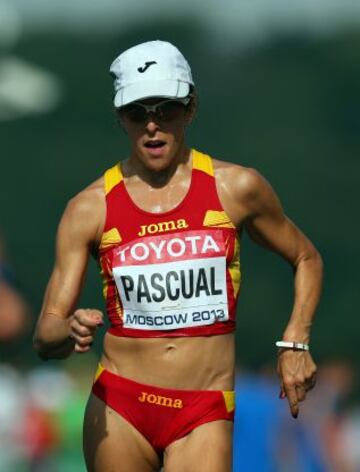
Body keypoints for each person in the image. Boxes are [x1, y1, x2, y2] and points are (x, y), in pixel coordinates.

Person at [33, 40, 323, 472]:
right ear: (121, 119)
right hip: (120, 406)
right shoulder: (89, 207)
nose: (152, 126)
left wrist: (295, 342)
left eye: (165, 109)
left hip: (203, 409)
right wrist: (68, 329)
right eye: (137, 114)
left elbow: (306, 258)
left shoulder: (235, 188)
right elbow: (45, 334)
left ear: (191, 109)